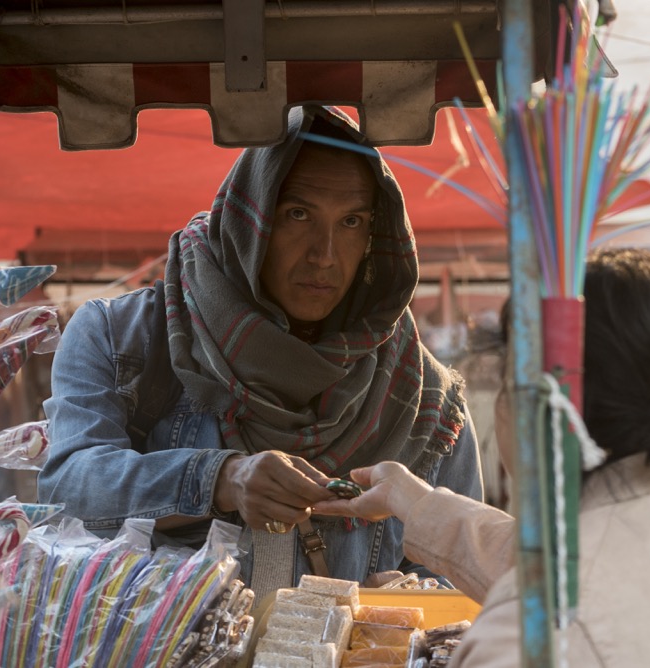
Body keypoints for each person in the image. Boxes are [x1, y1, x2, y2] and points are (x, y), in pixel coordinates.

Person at [37, 105, 484, 595]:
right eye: (298, 214)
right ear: (250, 219)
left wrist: (405, 603)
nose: (325, 254)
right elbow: (69, 489)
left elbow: (463, 583)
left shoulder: (423, 396)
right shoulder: (123, 335)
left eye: (352, 221)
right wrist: (220, 478)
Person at [311, 247, 650, 666]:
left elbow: (567, 583)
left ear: (531, 406)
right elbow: (572, 560)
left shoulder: (532, 631)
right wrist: (415, 503)